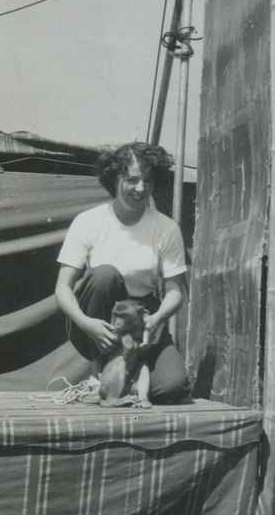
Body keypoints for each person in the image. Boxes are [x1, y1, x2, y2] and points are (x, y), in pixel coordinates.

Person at [55, 142, 190, 403]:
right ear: (114, 179)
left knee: (173, 386)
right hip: (99, 314)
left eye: (148, 181)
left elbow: (175, 292)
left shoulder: (166, 227)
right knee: (105, 274)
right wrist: (86, 323)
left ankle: (116, 386)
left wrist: (157, 318)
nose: (140, 189)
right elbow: (62, 287)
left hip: (143, 315)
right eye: (132, 180)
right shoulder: (88, 221)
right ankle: (102, 370)